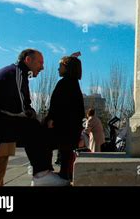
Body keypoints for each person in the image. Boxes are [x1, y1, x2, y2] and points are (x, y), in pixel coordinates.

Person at [0, 49, 68, 186]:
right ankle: (41, 175)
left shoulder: (14, 74)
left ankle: (42, 173)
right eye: (40, 62)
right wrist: (34, 117)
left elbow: (20, 105)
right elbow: (20, 107)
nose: (42, 67)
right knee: (33, 127)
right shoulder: (16, 73)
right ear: (28, 60)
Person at [44, 52, 85, 181]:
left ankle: (47, 173)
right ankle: (64, 175)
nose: (58, 68)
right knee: (66, 153)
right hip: (71, 128)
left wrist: (50, 119)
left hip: (61, 127)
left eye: (60, 65)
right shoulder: (74, 84)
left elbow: (56, 104)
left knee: (44, 145)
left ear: (67, 68)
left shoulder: (64, 83)